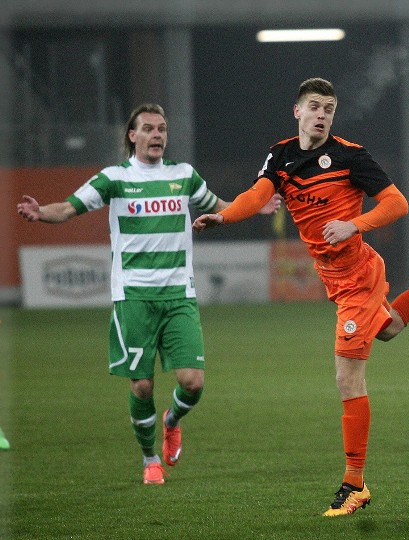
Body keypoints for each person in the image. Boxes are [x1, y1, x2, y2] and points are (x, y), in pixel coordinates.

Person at [192, 77, 409, 517]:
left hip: (357, 272)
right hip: (335, 277)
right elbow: (256, 196)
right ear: (297, 112)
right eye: (314, 106)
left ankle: (354, 484)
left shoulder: (350, 156)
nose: (322, 114)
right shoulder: (280, 156)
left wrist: (354, 225)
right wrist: (222, 218)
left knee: (347, 378)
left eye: (329, 109)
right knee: (391, 328)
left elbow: (398, 204)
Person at [16, 103, 279, 485]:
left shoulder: (184, 175)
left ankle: (172, 421)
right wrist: (41, 213)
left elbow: (219, 206)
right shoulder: (113, 179)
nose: (157, 135)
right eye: (149, 129)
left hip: (178, 295)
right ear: (132, 136)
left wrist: (254, 207)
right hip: (133, 297)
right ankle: (149, 458)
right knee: (141, 385)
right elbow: (69, 208)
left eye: (163, 129)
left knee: (193, 382)